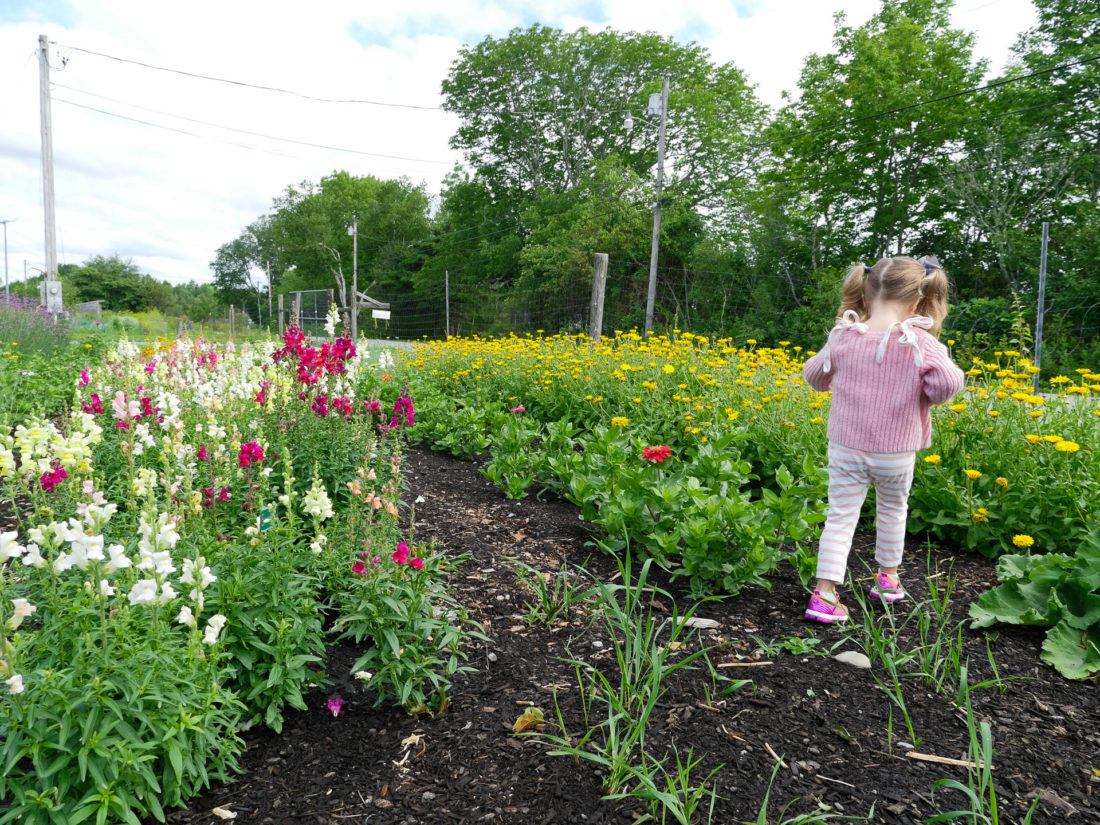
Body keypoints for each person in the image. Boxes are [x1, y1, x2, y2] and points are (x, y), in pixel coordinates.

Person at [801, 255, 965, 623]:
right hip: (896, 452)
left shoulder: (844, 336)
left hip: (846, 447)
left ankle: (825, 594)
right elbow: (946, 386)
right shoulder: (921, 343)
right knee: (893, 510)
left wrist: (835, 355)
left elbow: (814, 376)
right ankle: (888, 580)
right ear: (917, 300)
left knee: (840, 517)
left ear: (864, 294)